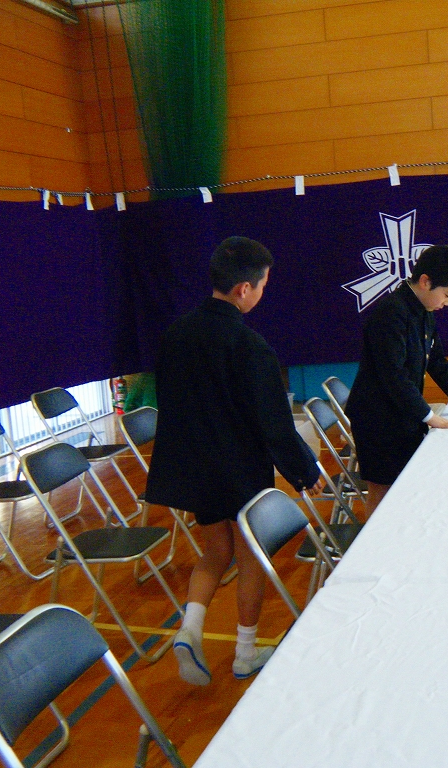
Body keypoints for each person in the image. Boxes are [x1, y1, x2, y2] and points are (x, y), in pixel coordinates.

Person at [145, 236, 324, 686]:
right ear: (244, 288)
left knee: (215, 551)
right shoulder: (249, 345)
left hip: (197, 468)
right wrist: (305, 472)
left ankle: (189, 630)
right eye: (262, 286)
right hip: (241, 470)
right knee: (250, 558)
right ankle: (245, 653)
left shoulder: (176, 334)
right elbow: (273, 423)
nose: (261, 293)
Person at [345, 245, 448, 517]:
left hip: (402, 413)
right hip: (377, 418)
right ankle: (378, 540)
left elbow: (436, 360)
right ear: (425, 281)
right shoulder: (391, 313)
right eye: (447, 294)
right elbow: (393, 375)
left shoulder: (423, 310)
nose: (447, 302)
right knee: (383, 489)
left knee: (408, 484)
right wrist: (429, 416)